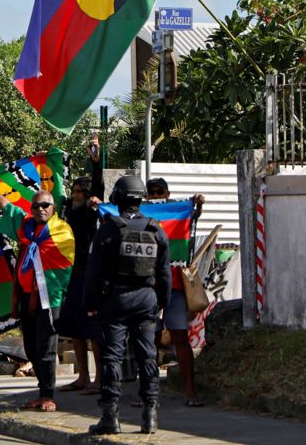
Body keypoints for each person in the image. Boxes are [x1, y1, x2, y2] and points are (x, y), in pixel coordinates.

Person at [0, 164, 72, 413]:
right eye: (36, 206)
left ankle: (48, 395)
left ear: (54, 208)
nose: (40, 209)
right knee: (30, 347)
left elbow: (67, 265)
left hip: (50, 298)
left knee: (47, 347)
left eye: (45, 206)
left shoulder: (62, 231)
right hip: (26, 297)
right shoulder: (26, 227)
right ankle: (41, 390)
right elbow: (4, 204)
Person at [84, 175, 171, 435]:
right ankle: (150, 417)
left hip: (115, 300)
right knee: (148, 357)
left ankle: (110, 417)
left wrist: (90, 303)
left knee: (112, 357)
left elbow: (93, 271)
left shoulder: (109, 228)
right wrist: (162, 304)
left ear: (118, 198)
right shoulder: (156, 229)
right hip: (146, 300)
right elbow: (165, 273)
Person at [145, 177, 206, 408]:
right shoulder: (140, 217)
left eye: (159, 191)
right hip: (148, 288)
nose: (156, 195)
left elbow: (193, 218)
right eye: (151, 192)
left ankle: (190, 390)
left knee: (181, 338)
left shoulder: (176, 215)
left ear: (167, 193)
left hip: (176, 288)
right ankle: (146, 392)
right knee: (147, 341)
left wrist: (197, 205)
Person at [57, 136, 105, 395]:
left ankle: (99, 378)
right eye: (73, 192)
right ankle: (83, 377)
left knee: (92, 330)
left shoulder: (90, 213)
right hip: (71, 276)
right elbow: (53, 191)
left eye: (79, 193)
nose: (75, 196)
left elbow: (98, 187)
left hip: (90, 276)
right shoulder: (69, 213)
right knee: (74, 329)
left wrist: (95, 162)